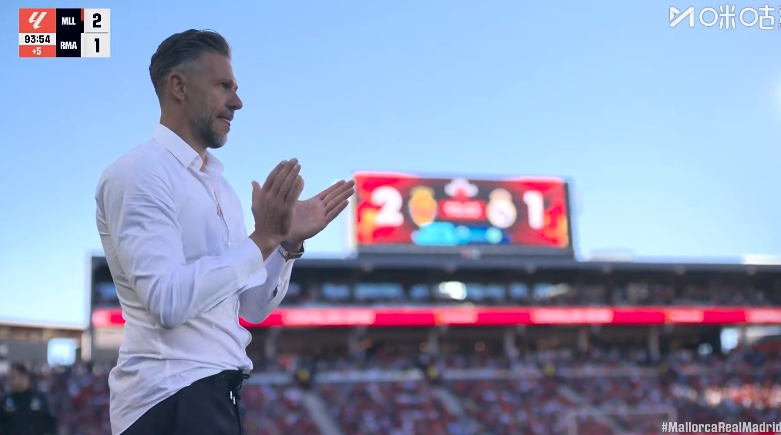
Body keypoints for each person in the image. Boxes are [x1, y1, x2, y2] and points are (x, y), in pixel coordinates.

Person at [94, 29, 355, 435]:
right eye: (223, 86)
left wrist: (285, 244)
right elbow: (167, 302)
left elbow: (251, 307)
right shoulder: (140, 172)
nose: (237, 102)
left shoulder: (222, 189)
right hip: (168, 398)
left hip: (214, 394)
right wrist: (263, 238)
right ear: (179, 87)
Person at [0, 363, 56, 435]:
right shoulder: (5, 401)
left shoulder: (40, 398)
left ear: (24, 376)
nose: (10, 381)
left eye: (13, 377)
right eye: (9, 378)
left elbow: (50, 423)